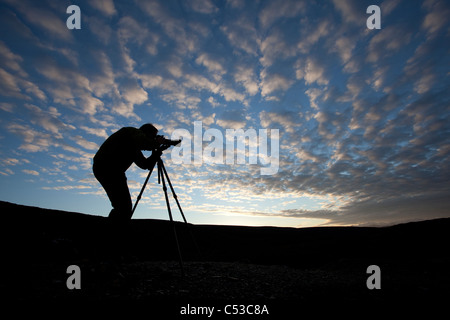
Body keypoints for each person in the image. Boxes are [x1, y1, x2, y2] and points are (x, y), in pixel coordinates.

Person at [93, 123, 165, 222]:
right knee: (124, 207)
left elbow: (145, 165)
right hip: (108, 167)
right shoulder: (130, 132)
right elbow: (145, 143)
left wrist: (157, 152)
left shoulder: (133, 146)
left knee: (123, 207)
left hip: (110, 170)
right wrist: (156, 143)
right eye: (153, 137)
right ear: (145, 133)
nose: (153, 139)